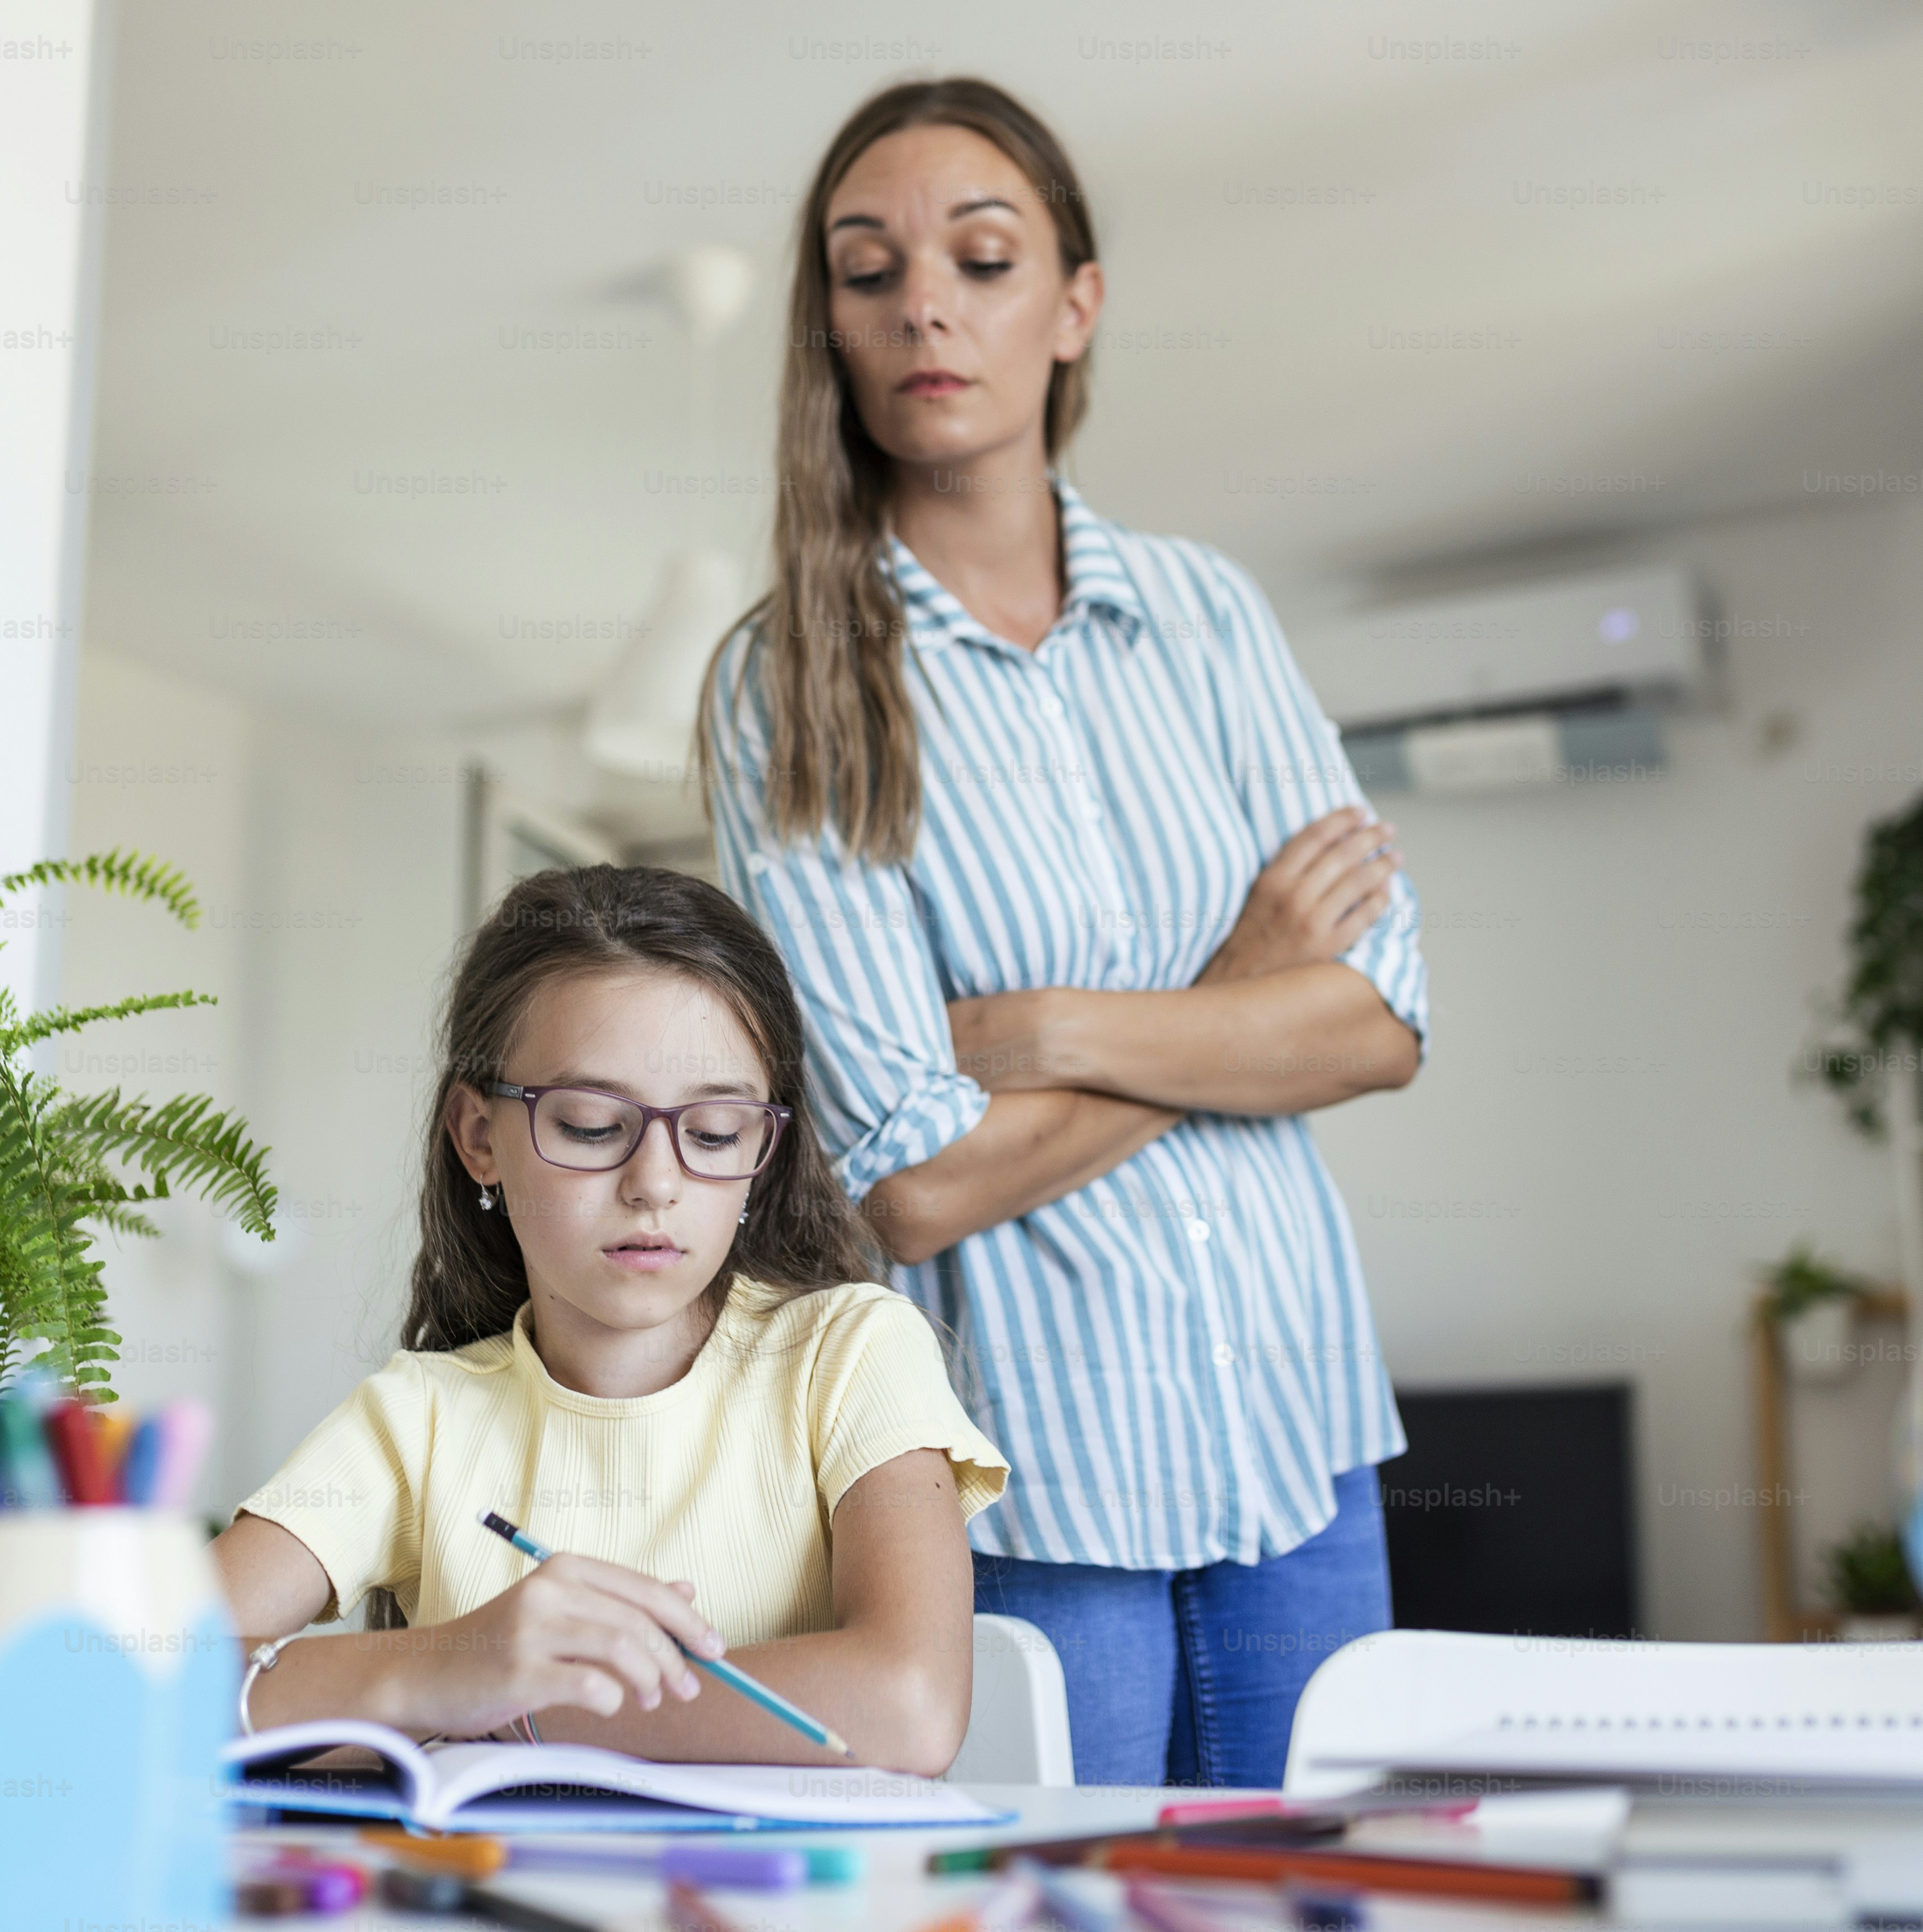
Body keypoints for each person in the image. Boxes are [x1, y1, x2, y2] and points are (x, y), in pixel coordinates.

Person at [699, 77, 1428, 1788]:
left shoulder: (1207, 615)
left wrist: (1044, 1029)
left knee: (1323, 1907)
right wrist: (1239, 1000)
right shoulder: (787, 683)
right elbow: (911, 1184)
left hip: (1301, 1445)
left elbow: (1376, 1021)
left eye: (982, 255)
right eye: (866, 271)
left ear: (1073, 305)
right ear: (830, 325)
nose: (924, 304)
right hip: (1030, 1482)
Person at [212, 865, 1010, 1776]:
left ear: (763, 1150)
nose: (656, 1183)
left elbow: (906, 1706)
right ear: (479, 1138)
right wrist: (447, 1666)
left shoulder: (851, 1353)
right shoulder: (418, 1419)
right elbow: (128, 1678)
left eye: (714, 1132)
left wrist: (515, 1709)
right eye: (591, 1126)